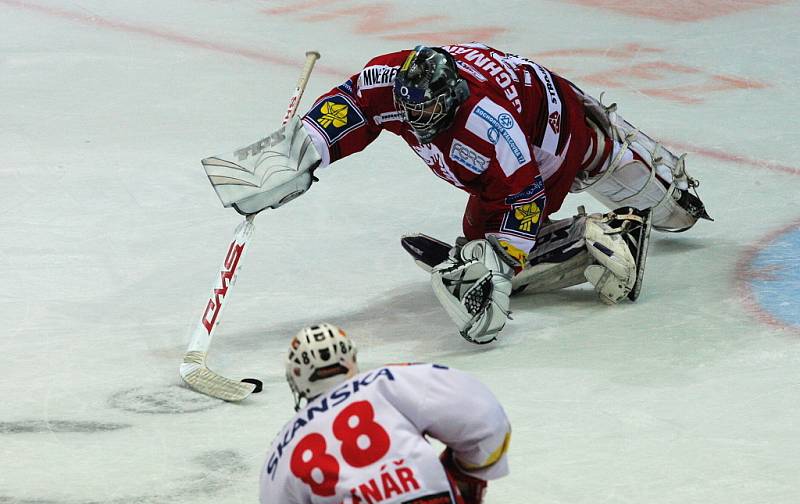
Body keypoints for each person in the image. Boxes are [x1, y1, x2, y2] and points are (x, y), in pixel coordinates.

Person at [202, 43, 711, 344]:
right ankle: (607, 164)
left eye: (428, 114)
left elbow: (525, 196)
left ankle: (608, 237)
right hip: (538, 90)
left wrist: (501, 265)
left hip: (551, 136)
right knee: (475, 237)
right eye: (409, 110)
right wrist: (296, 153)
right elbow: (351, 102)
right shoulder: (397, 82)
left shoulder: (491, 129)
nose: (415, 123)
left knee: (489, 246)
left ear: (454, 99)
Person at [259, 323, 511, 504]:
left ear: (296, 377)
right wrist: (465, 471)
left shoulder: (280, 448)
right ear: (350, 357)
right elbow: (485, 418)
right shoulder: (388, 381)